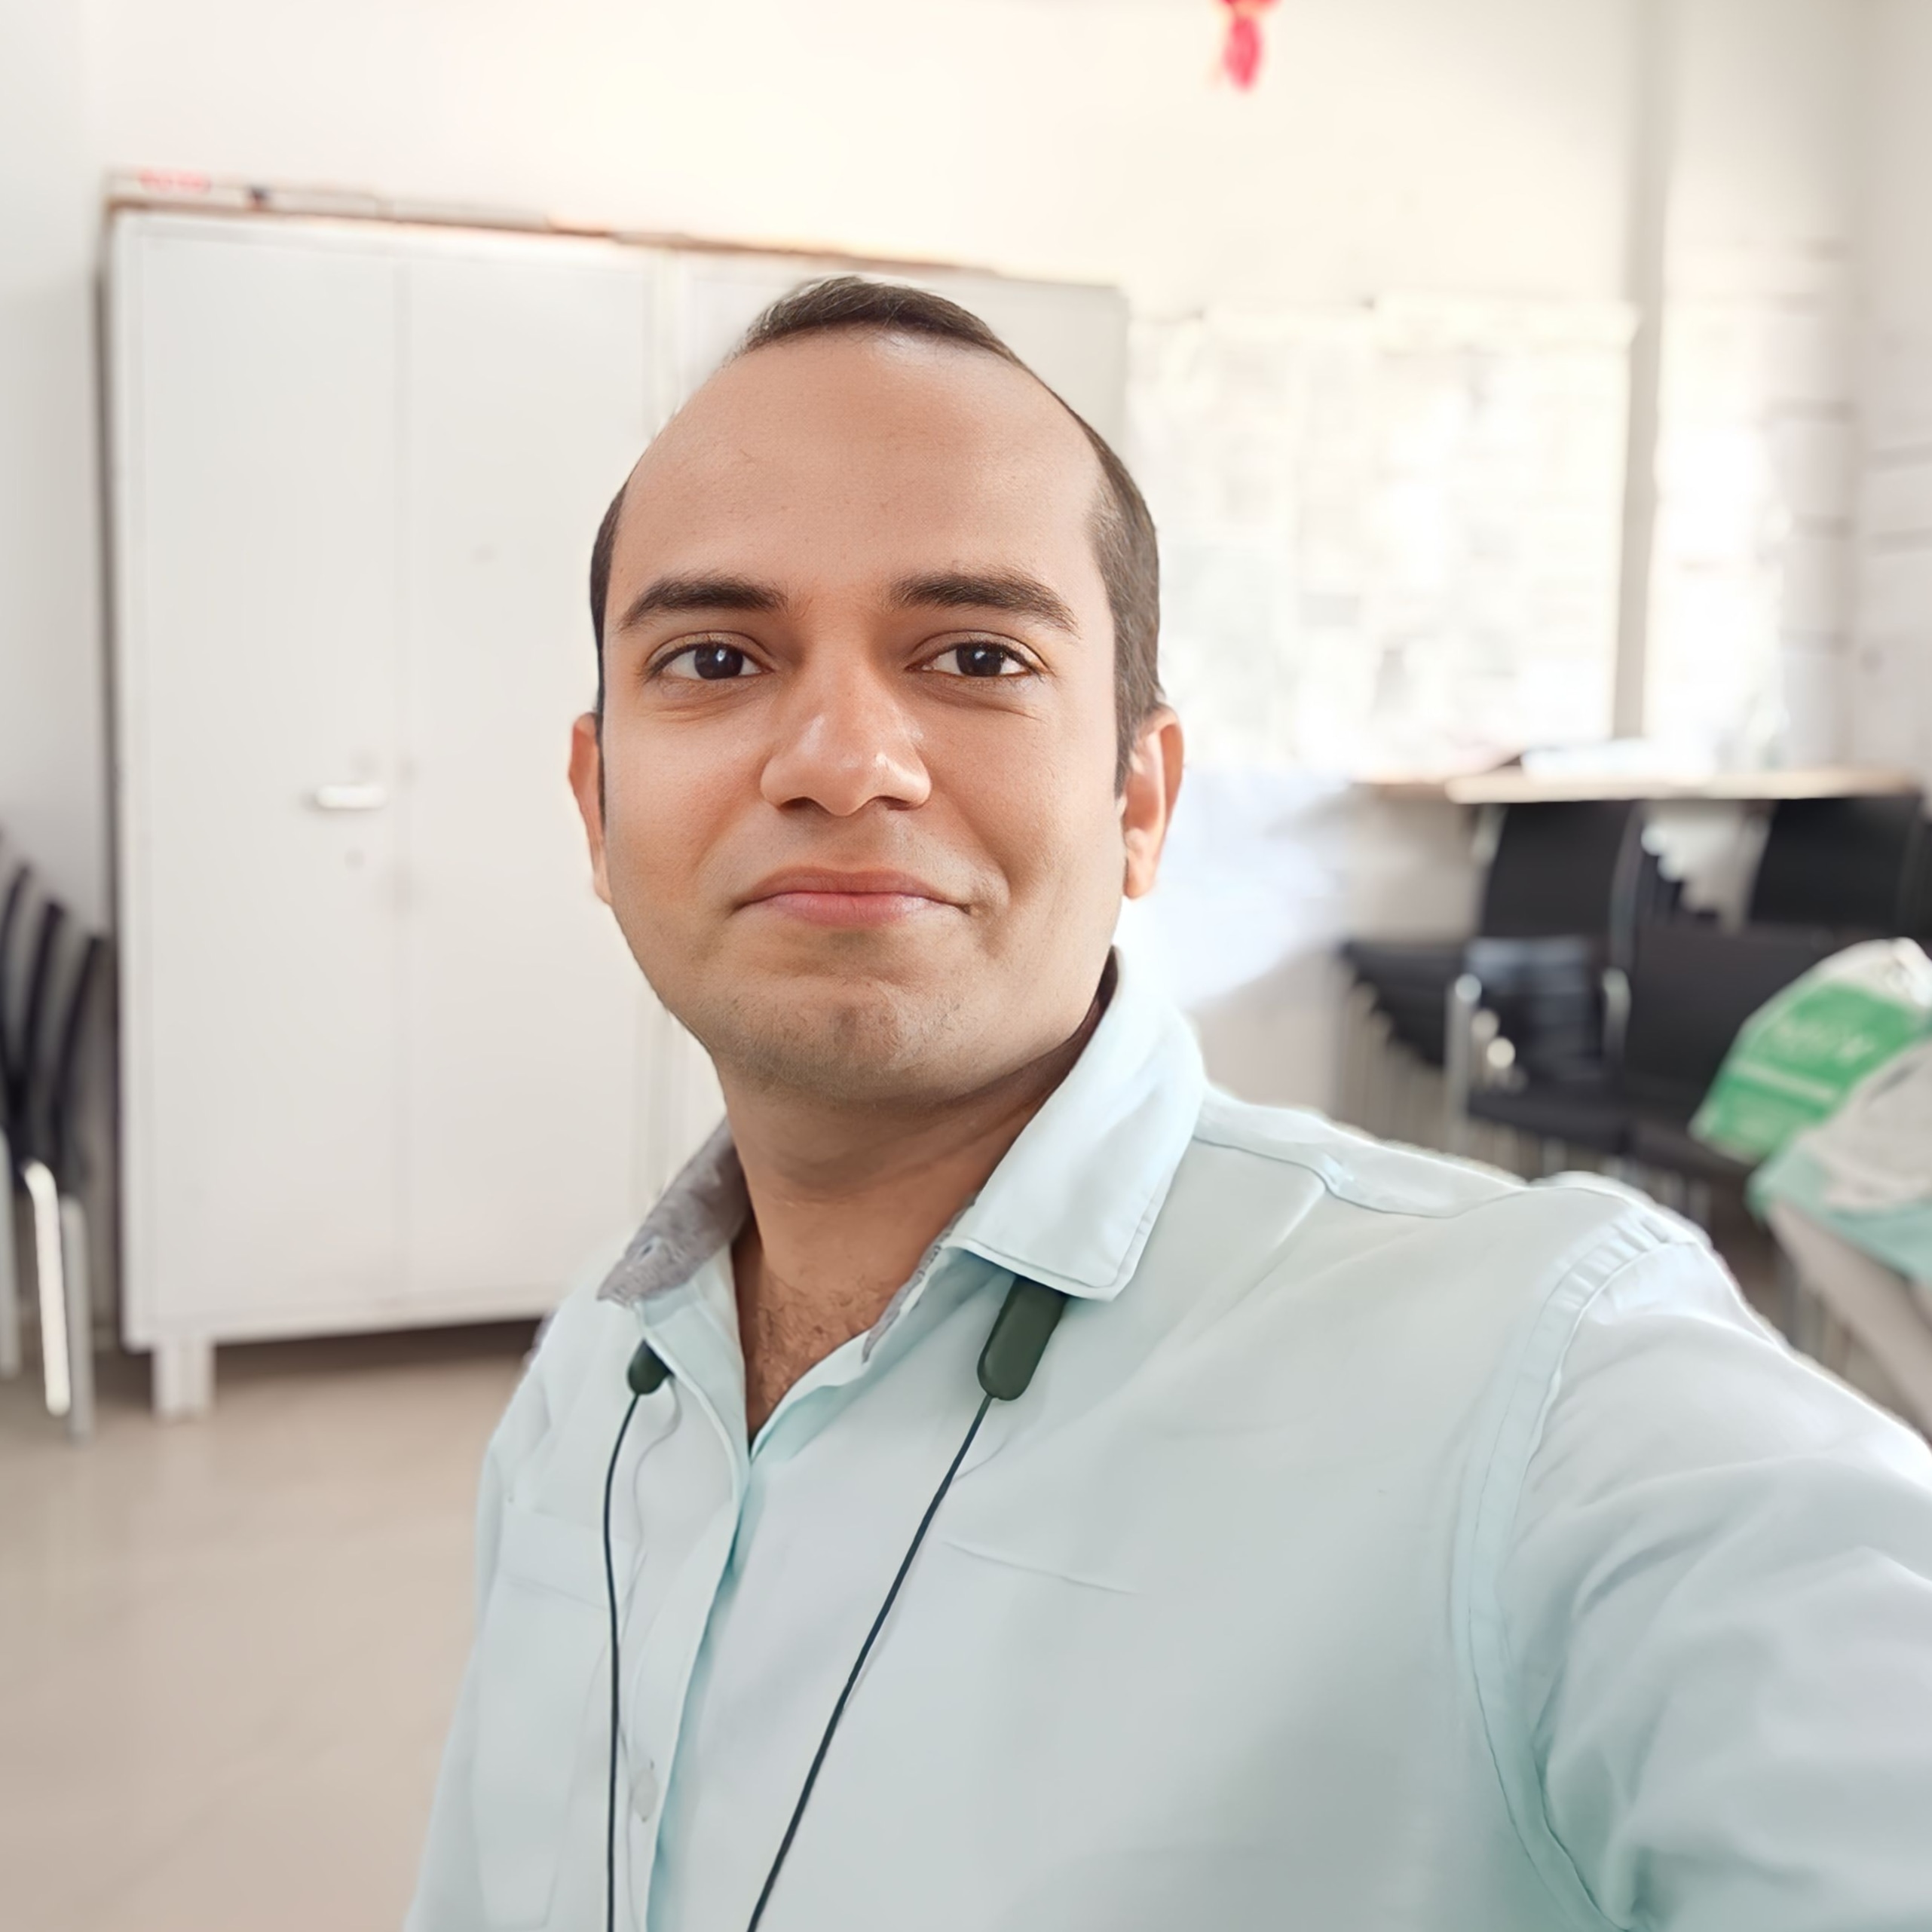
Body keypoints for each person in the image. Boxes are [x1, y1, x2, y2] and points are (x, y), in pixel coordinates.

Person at [408, 277, 1932, 1932]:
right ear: (598, 802)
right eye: (714, 658)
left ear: (1140, 799)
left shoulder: (1542, 1379)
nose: (844, 761)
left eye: (976, 655)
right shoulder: (594, 1389)